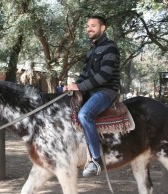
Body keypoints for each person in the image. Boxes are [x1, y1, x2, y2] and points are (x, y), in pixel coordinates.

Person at [63, 16, 120, 177]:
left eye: (93, 26)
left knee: (84, 114)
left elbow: (104, 76)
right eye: (88, 26)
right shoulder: (92, 49)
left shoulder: (110, 47)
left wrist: (80, 87)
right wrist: (73, 86)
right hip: (90, 91)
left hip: (106, 91)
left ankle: (95, 160)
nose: (89, 28)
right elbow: (84, 75)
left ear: (103, 28)